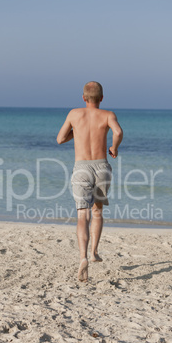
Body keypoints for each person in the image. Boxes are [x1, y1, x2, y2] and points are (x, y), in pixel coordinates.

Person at [57, 81, 123, 282]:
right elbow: (118, 132)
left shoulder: (74, 114)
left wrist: (76, 132)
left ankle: (83, 257)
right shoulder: (108, 115)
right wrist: (114, 147)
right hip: (102, 167)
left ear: (83, 98)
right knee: (97, 211)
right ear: (102, 98)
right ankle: (94, 252)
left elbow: (60, 139)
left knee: (82, 215)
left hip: (82, 168)